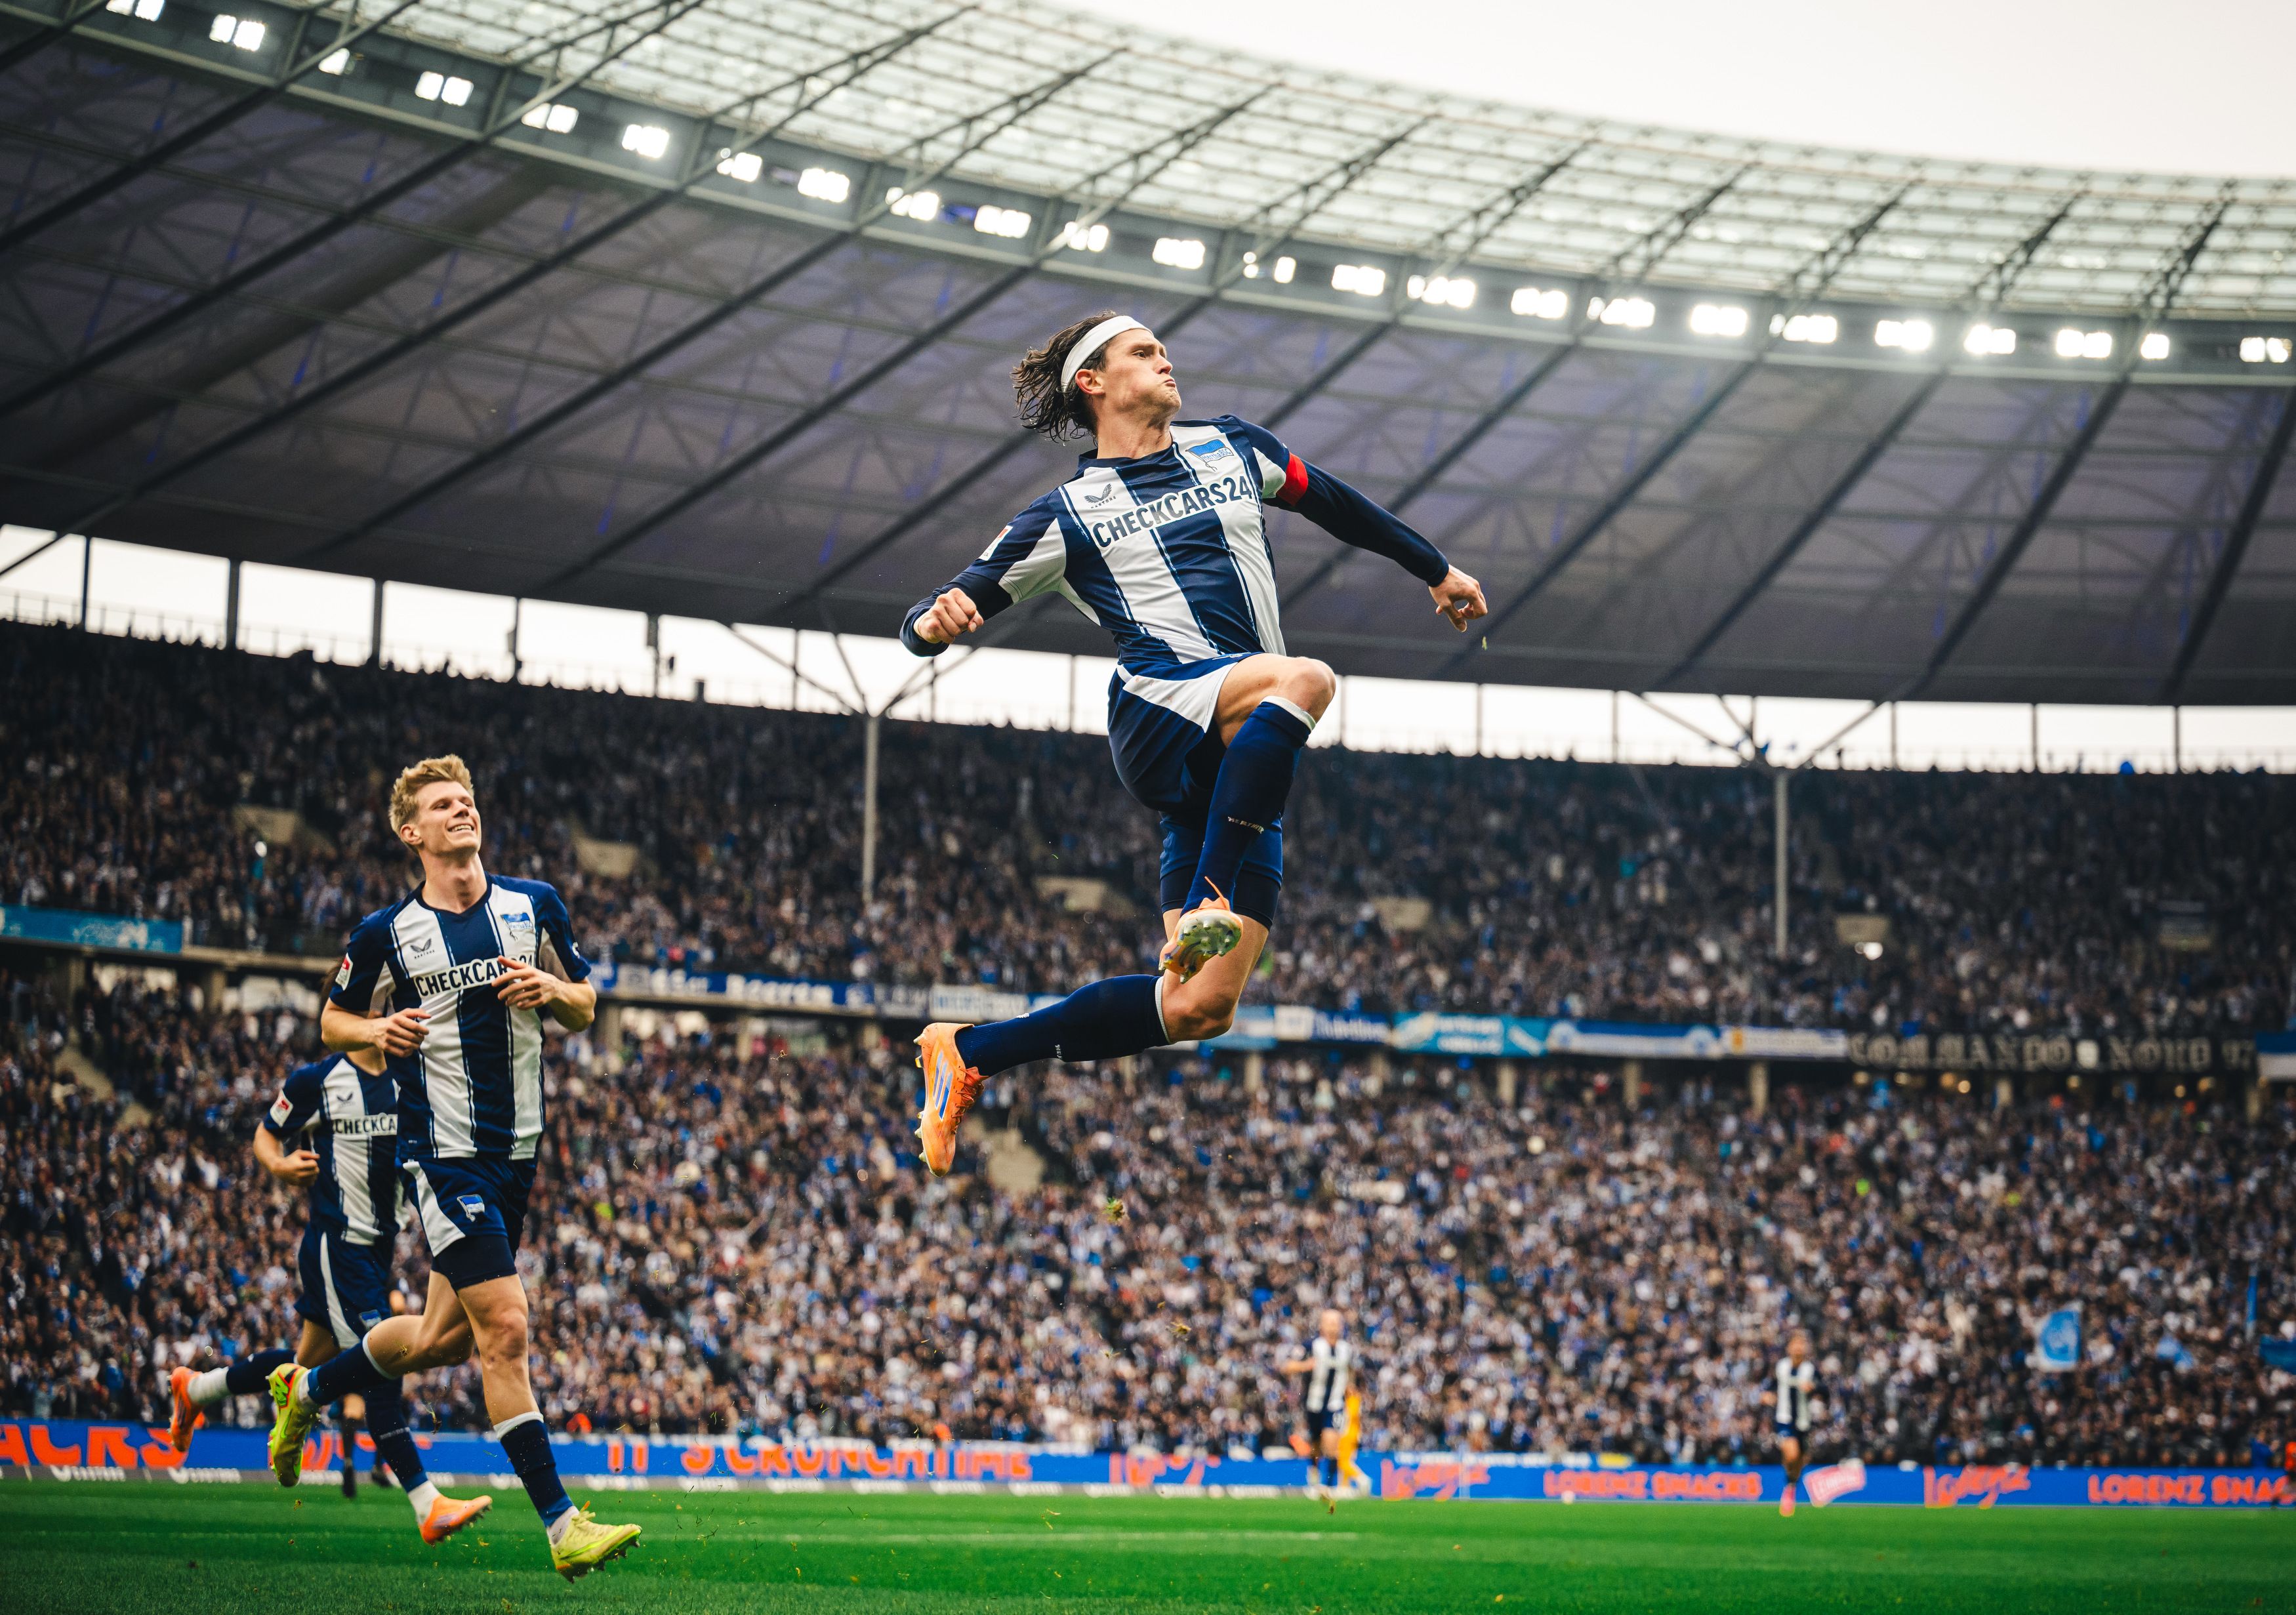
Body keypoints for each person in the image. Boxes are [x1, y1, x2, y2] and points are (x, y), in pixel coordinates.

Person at [899, 312, 1487, 1172]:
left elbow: (1336, 503)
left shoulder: (1234, 449)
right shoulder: (1066, 514)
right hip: (1161, 704)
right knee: (1307, 678)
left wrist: (1433, 567)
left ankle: (972, 1050)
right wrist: (931, 622)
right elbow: (937, 612)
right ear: (1091, 382)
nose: (1165, 358)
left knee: (1201, 1005)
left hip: (1236, 763)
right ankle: (1210, 893)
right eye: (1143, 351)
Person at [264, 755, 640, 1580]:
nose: (461, 809)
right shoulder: (384, 933)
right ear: (413, 832)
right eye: (442, 804)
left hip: (518, 1156)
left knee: (437, 1341)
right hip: (442, 1153)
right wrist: (373, 1033)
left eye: (466, 799)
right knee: (505, 1328)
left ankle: (310, 1388)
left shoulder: (532, 905)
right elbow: (330, 1019)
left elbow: (586, 1005)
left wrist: (548, 986)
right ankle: (562, 1523)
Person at [172, 1041, 491, 1540]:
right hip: (339, 1243)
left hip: (379, 1249)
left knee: (309, 1366)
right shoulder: (316, 1082)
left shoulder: (408, 1078)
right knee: (383, 1365)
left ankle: (196, 1388)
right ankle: (426, 1503)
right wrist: (278, 1166)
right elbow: (265, 1134)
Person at [1281, 1309, 1357, 1501]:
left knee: (1332, 1443)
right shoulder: (1310, 1345)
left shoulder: (1347, 1349)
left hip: (1335, 1404)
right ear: (1321, 1326)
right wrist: (1305, 1366)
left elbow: (1350, 1372)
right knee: (1316, 1444)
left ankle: (1329, 1487)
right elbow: (1287, 1366)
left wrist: (1350, 1386)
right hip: (1313, 1404)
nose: (1333, 1327)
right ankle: (1313, 1470)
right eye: (1329, 1323)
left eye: (1336, 1323)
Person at [1764, 1330, 1818, 1517]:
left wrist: (1814, 1388)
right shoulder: (1781, 1367)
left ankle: (1791, 1486)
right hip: (1784, 1419)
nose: (1798, 1347)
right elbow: (1770, 1385)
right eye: (1795, 1344)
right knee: (1792, 1453)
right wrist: (1767, 1395)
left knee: (1800, 1460)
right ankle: (1789, 1487)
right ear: (1789, 1347)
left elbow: (1823, 1389)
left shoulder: (1810, 1369)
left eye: (1802, 1344)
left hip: (1804, 1421)